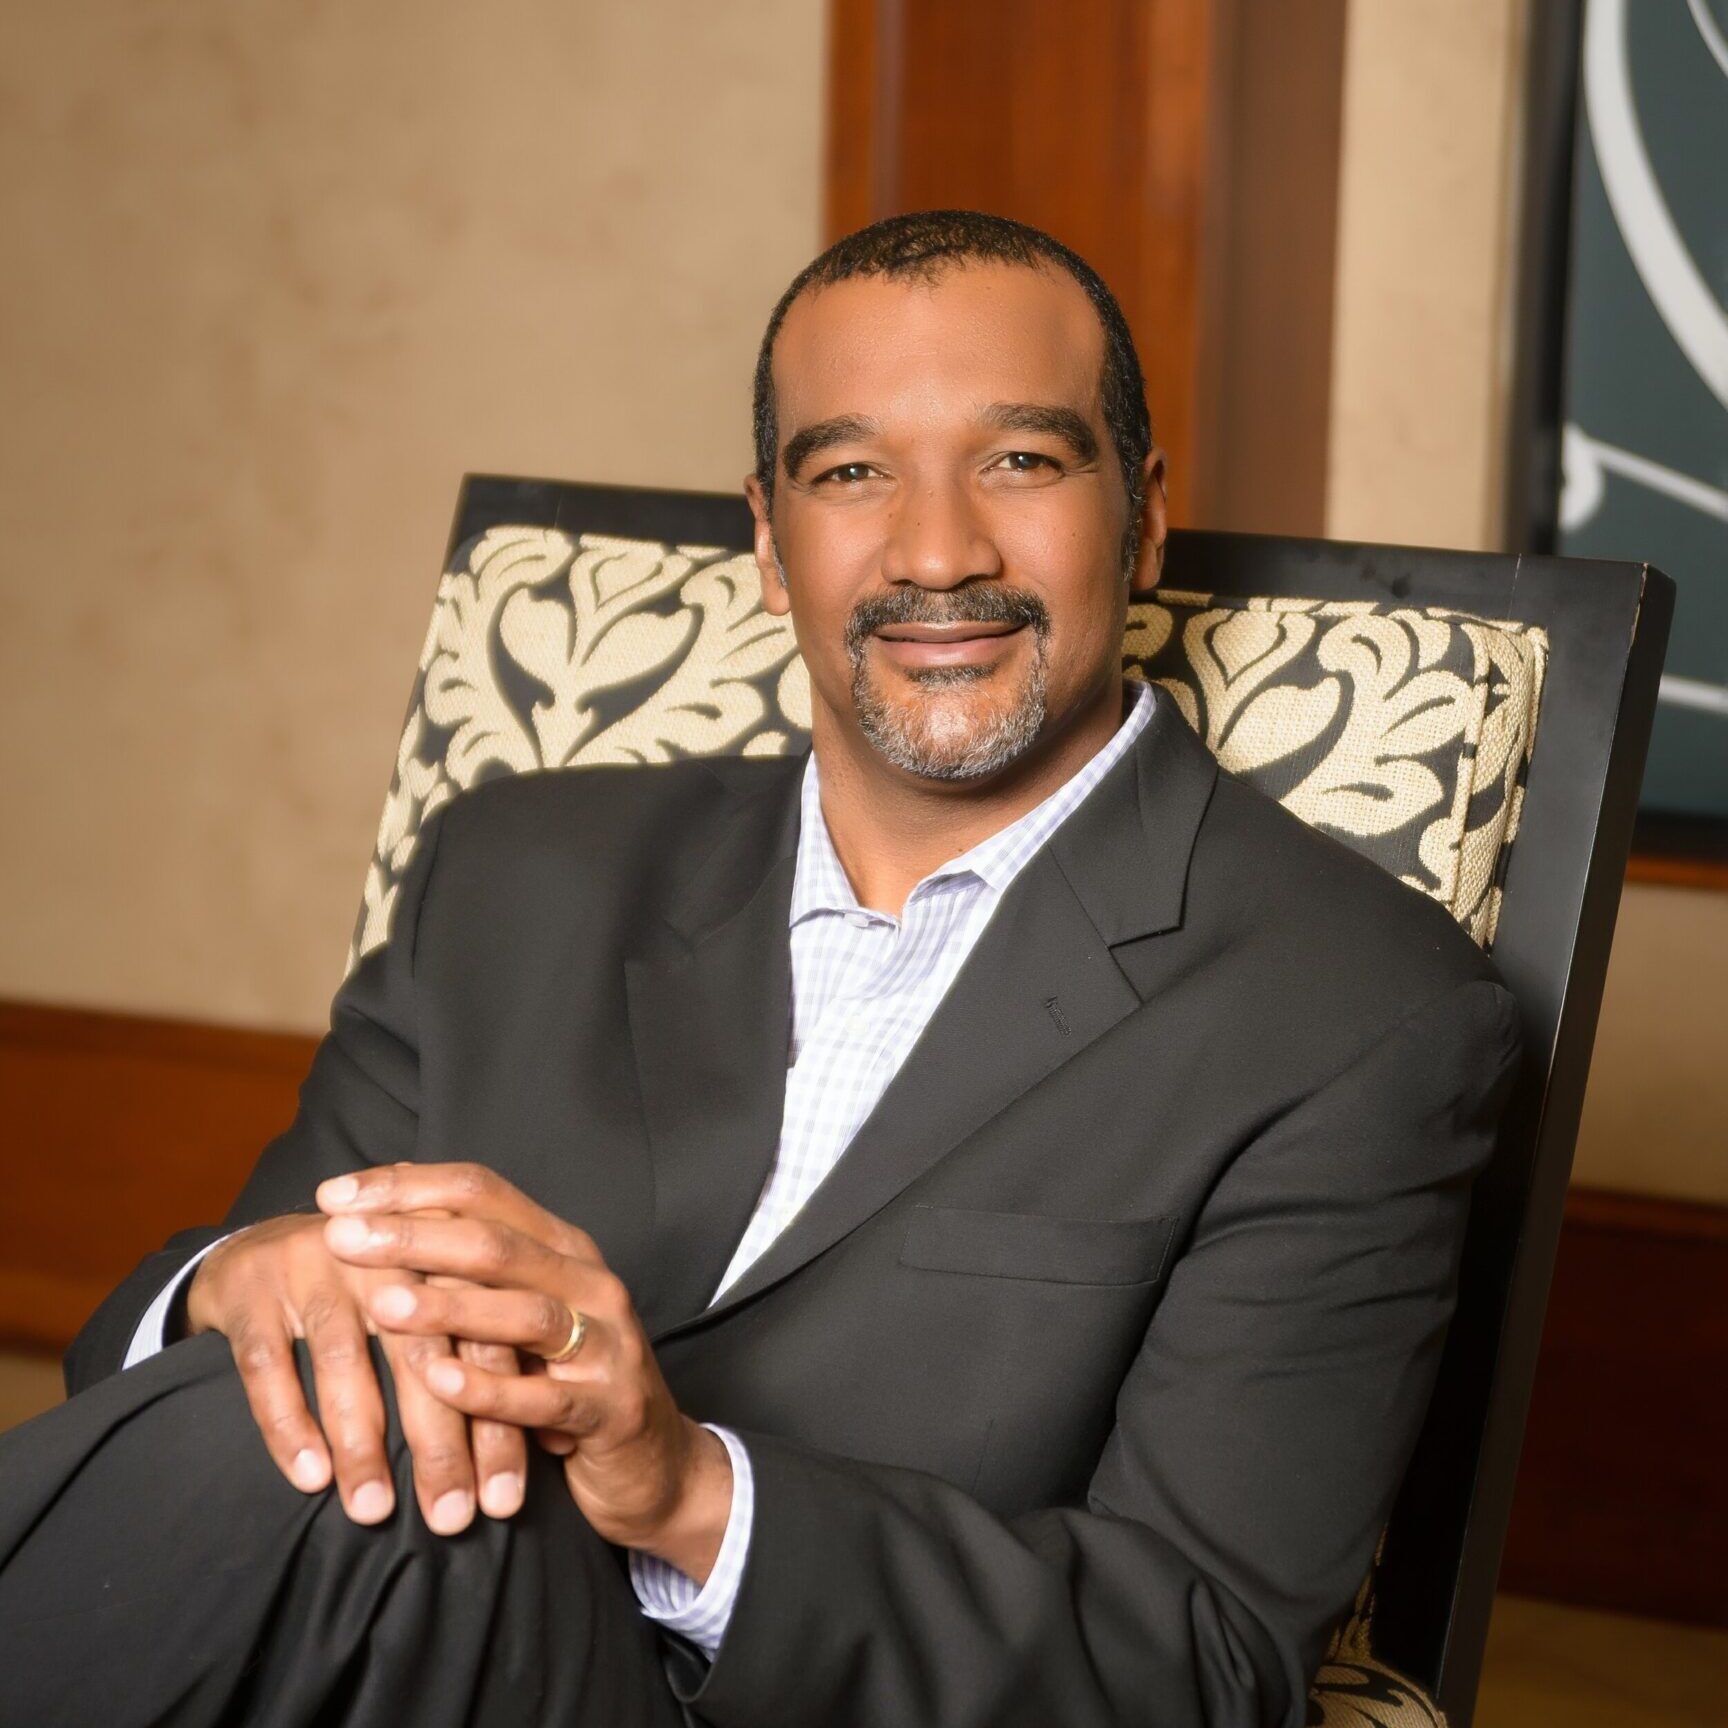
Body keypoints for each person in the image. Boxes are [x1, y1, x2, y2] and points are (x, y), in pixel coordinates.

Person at [0, 211, 1522, 1728]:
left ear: (1141, 519)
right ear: (768, 538)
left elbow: (1198, 1664)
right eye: (852, 471)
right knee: (298, 1429)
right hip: (342, 1642)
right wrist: (230, 1288)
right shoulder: (517, 873)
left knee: (402, 1492)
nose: (939, 551)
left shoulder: (1357, 1016)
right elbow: (151, 1416)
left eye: (1022, 460)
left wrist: (683, 1495)